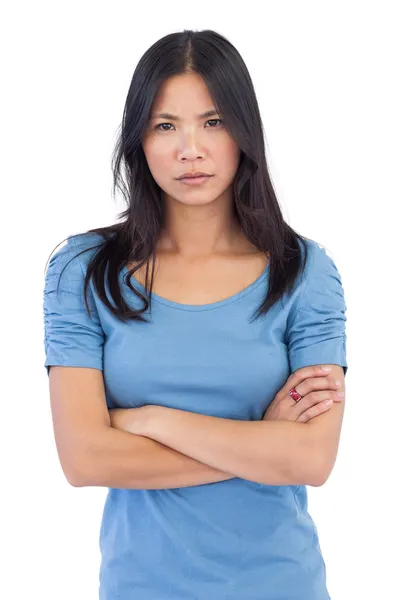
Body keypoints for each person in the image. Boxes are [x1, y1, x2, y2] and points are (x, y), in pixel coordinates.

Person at [43, 29, 348, 600]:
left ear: (244, 132)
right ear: (139, 139)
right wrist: (262, 446)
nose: (191, 149)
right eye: (165, 125)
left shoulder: (304, 272)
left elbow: (310, 457)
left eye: (213, 122)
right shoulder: (82, 271)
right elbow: (84, 459)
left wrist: (151, 419)